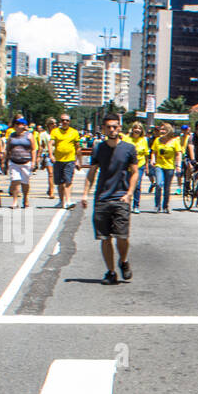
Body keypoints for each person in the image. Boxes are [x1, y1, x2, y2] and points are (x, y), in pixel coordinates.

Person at [82, 112, 139, 285]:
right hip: (102, 198)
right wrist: (85, 193)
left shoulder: (129, 148)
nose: (112, 130)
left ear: (120, 127)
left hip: (121, 198)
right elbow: (92, 172)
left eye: (115, 126)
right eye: (109, 127)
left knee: (122, 237)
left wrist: (129, 193)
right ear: (103, 129)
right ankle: (111, 272)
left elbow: (135, 172)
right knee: (105, 238)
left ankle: (123, 261)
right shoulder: (98, 148)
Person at [49, 114, 81, 209]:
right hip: (58, 160)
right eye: (63, 120)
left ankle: (68, 201)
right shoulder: (55, 131)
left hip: (70, 160)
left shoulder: (74, 132)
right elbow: (50, 143)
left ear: (69, 122)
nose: (65, 122)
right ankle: (61, 201)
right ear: (60, 121)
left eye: (67, 120)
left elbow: (78, 147)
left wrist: (79, 161)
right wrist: (51, 155)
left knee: (68, 181)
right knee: (59, 182)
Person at [4, 117, 37, 208]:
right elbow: (8, 149)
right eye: (16, 124)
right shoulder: (12, 136)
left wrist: (34, 161)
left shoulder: (29, 136)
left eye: (20, 124)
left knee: (25, 182)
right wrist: (5, 161)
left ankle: (25, 198)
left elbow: (34, 149)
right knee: (15, 181)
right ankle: (15, 200)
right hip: (14, 161)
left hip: (26, 162)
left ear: (24, 126)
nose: (18, 126)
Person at [150, 121, 181, 213]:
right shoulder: (157, 140)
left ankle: (165, 206)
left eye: (164, 129)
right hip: (159, 166)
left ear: (169, 130)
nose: (162, 131)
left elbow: (178, 154)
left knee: (167, 187)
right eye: (161, 129)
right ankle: (157, 205)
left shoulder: (175, 141)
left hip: (170, 167)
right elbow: (153, 152)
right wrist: (153, 159)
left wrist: (178, 165)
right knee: (159, 184)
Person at [127, 122, 150, 213]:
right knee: (127, 185)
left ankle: (136, 205)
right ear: (132, 129)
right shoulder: (127, 139)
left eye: (139, 128)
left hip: (139, 165)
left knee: (137, 185)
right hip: (127, 166)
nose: (137, 130)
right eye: (135, 128)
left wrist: (147, 166)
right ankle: (126, 204)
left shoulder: (144, 140)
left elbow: (146, 155)